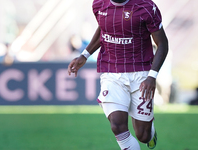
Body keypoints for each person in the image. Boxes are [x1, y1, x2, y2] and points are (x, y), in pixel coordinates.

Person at [68, 0, 168, 149]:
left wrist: (152, 76)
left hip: (141, 74)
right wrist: (85, 54)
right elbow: (103, 28)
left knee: (143, 135)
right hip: (112, 73)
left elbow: (163, 43)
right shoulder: (99, 4)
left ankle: (150, 132)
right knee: (117, 125)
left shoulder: (146, 7)